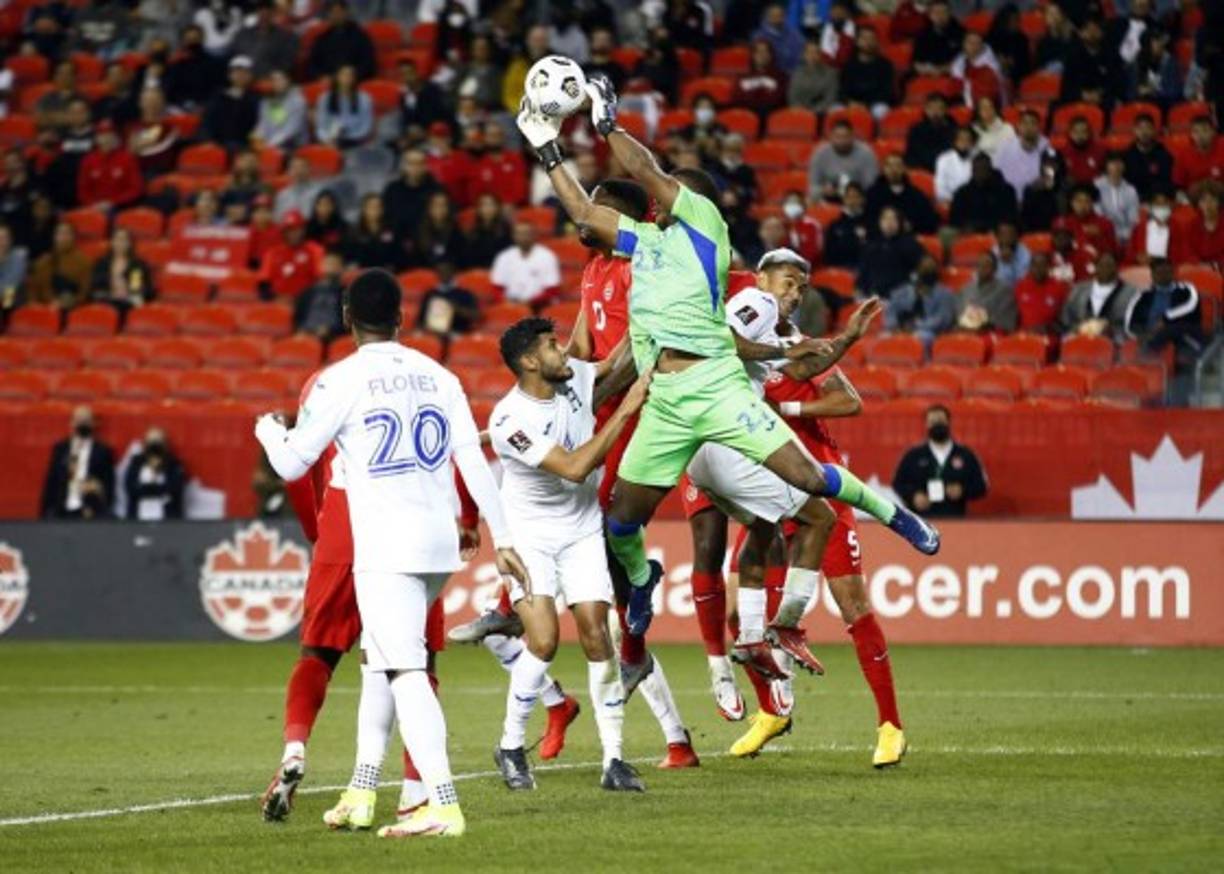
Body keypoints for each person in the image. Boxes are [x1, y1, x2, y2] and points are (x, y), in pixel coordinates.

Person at [516, 77, 939, 647]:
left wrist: (606, 121)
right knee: (619, 523)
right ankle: (642, 582)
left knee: (809, 478)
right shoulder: (646, 243)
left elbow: (647, 173)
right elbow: (586, 215)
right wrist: (546, 148)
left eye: (668, 196)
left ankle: (892, 515)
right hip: (662, 400)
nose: (657, 201)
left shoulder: (705, 231)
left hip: (717, 388)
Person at [255, 268, 529, 839]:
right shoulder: (439, 375)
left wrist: (267, 433)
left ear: (347, 318)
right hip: (436, 543)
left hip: (386, 546)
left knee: (403, 669)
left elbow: (291, 464)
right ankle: (360, 792)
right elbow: (473, 463)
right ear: (402, 317)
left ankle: (442, 803)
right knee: (381, 662)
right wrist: (503, 539)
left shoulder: (340, 379)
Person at [487, 317, 654, 793]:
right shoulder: (509, 420)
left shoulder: (576, 376)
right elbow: (576, 468)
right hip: (528, 538)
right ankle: (511, 744)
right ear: (529, 361)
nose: (565, 351)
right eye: (552, 346)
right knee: (542, 640)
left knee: (598, 635)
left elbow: (622, 360)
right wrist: (625, 411)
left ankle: (614, 760)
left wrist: (650, 313)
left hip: (580, 530)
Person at [1124, 257, 1203, 400]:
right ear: (1153, 275)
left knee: (1171, 329)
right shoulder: (1143, 294)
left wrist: (1165, 318)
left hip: (1184, 334)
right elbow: (1129, 321)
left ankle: (1149, 351)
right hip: (1150, 334)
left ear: (1173, 273)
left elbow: (1190, 305)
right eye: (1160, 272)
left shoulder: (1187, 289)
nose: (1164, 275)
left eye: (1168, 271)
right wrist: (1137, 335)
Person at [892, 405, 988, 519]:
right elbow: (898, 483)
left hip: (955, 520)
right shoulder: (913, 456)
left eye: (940, 421)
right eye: (933, 421)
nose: (937, 425)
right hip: (921, 521)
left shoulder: (966, 455)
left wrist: (962, 490)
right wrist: (913, 496)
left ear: (948, 422)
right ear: (926, 425)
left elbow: (981, 486)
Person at [40, 406, 115, 520]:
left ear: (94, 423)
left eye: (86, 420)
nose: (83, 423)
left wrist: (97, 491)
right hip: (61, 512)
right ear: (72, 423)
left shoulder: (103, 451)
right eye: (80, 419)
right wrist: (44, 512)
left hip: (91, 513)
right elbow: (51, 482)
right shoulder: (61, 449)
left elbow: (109, 485)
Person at [885, 254, 958, 353]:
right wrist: (894, 327)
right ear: (918, 270)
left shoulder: (945, 294)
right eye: (924, 268)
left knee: (922, 338)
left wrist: (915, 326)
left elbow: (942, 320)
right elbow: (890, 312)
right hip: (899, 329)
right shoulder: (903, 291)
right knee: (882, 338)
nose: (927, 272)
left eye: (931, 269)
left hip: (926, 332)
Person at [1060, 250, 1135, 339]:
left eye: (1109, 266)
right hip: (1080, 336)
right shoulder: (1079, 289)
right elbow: (1066, 317)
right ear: (1096, 267)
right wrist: (1078, 328)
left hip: (1115, 340)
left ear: (1117, 268)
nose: (1105, 269)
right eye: (1101, 265)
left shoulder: (1130, 292)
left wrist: (1110, 328)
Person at [857, 206, 926, 300]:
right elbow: (863, 272)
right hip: (871, 296)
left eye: (893, 219)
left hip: (898, 298)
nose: (889, 222)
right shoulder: (872, 244)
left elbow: (924, 267)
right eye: (885, 219)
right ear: (879, 222)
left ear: (900, 222)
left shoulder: (910, 244)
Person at [76, 120, 143, 212]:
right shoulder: (88, 160)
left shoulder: (127, 158)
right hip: (94, 208)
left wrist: (113, 202)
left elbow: (136, 188)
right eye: (102, 135)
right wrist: (93, 204)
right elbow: (83, 189)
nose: (106, 139)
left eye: (110, 135)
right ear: (97, 138)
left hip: (121, 208)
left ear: (116, 138)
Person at [490, 221, 561, 307]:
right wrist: (505, 301)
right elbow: (497, 287)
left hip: (539, 306)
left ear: (534, 235)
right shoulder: (504, 257)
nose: (522, 237)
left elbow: (552, 290)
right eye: (519, 233)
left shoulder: (547, 256)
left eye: (526, 233)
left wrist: (529, 303)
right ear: (513, 236)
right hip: (510, 304)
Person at [865, 154, 939, 235]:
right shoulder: (873, 194)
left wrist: (913, 226)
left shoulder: (916, 195)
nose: (893, 169)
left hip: (909, 239)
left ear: (904, 169)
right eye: (889, 166)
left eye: (897, 165)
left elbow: (930, 221)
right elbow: (867, 220)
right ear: (883, 169)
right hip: (879, 241)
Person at [808, 119, 879, 203]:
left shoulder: (866, 153)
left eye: (845, 137)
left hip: (858, 200)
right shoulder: (820, 153)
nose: (842, 141)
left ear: (853, 136)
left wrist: (854, 193)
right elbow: (812, 187)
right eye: (838, 137)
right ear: (831, 136)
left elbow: (871, 187)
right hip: (827, 199)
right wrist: (823, 190)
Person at [123, 427, 184, 521]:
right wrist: (155, 486)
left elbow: (174, 490)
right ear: (145, 444)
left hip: (167, 521)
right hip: (138, 519)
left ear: (165, 444)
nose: (155, 447)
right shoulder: (136, 462)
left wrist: (147, 487)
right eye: (151, 442)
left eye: (158, 442)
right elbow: (130, 488)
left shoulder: (173, 464)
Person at [259, 211, 324, 299]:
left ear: (303, 230)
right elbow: (263, 284)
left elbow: (320, 280)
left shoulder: (314, 250)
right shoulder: (272, 253)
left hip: (306, 303)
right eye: (289, 230)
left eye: (297, 229)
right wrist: (275, 298)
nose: (293, 234)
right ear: (283, 232)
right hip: (278, 303)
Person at [307, 0, 376, 81]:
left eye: (339, 12)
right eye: (332, 12)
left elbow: (368, 64)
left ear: (346, 12)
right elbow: (311, 66)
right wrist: (321, 77)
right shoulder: (322, 39)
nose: (336, 15)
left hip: (354, 83)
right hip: (327, 84)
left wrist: (351, 77)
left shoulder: (360, 36)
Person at [382, 149, 441, 244]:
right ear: (404, 166)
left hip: (428, 243)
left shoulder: (436, 190)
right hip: (396, 244)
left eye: (420, 163)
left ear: (426, 166)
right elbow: (385, 218)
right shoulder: (392, 189)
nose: (415, 167)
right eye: (411, 163)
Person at [28, 222, 92, 308]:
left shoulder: (84, 261)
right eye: (60, 233)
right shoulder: (43, 262)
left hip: (71, 309)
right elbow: (32, 288)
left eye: (67, 233)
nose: (63, 237)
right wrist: (35, 304)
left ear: (73, 237)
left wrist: (69, 302)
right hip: (44, 309)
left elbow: (84, 292)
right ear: (54, 237)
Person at [89, 227, 153, 315]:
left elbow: (137, 286)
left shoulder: (136, 265)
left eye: (123, 240)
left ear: (130, 243)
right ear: (111, 242)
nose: (120, 243)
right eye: (117, 239)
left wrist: (131, 294)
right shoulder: (102, 263)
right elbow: (95, 286)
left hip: (128, 303)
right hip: (106, 301)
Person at [950, 153, 1019, 233]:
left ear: (990, 170)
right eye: (977, 169)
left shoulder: (1006, 191)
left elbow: (1010, 218)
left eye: (984, 169)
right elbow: (955, 221)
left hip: (999, 235)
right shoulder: (961, 193)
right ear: (972, 171)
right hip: (969, 236)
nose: (981, 172)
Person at [202, 55, 259, 151]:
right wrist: (208, 140)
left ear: (251, 76)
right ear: (229, 75)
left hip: (241, 145)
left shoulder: (256, 100)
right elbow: (207, 121)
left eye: (245, 72)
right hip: (215, 142)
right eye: (237, 72)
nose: (240, 76)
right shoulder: (217, 96)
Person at [230, 3, 299, 80]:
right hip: (240, 76)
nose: (264, 13)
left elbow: (285, 65)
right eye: (261, 9)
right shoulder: (242, 34)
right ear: (257, 12)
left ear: (274, 12)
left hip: (268, 78)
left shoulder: (287, 37)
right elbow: (233, 56)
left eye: (268, 10)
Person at [994, 108, 1051, 201]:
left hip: (1037, 198)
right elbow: (995, 172)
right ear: (1018, 126)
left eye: (1033, 123)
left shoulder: (1048, 148)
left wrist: (1045, 181)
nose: (1029, 127)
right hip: (1009, 200)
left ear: (1039, 127)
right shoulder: (1005, 146)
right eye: (1025, 123)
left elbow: (1050, 178)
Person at [838, 27, 894, 119]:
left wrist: (866, 105)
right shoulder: (849, 65)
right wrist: (850, 102)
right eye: (864, 38)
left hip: (875, 104)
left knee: (882, 111)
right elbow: (843, 89)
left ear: (876, 42)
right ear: (857, 41)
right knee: (835, 110)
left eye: (871, 38)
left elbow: (887, 92)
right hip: (851, 103)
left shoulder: (885, 65)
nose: (867, 42)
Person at [316, 65, 374, 150]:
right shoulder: (325, 98)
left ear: (354, 79)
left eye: (350, 75)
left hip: (355, 141)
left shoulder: (364, 99)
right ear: (336, 77)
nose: (346, 78)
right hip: (330, 140)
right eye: (343, 75)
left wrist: (347, 138)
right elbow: (321, 126)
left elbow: (366, 127)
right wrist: (327, 140)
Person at [343, 194, 406, 272]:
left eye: (378, 206)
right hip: (362, 273)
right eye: (371, 206)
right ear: (364, 209)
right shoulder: (354, 231)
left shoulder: (392, 229)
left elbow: (399, 253)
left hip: (388, 272)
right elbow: (349, 256)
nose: (375, 210)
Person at [127, 86, 180, 176]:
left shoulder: (169, 127)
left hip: (161, 173)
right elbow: (132, 149)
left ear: (162, 102)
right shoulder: (132, 126)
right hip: (136, 172)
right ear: (140, 102)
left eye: (155, 100)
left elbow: (137, 145)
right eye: (148, 100)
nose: (151, 104)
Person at [293, 251, 346, 340]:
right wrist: (300, 330)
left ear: (341, 269)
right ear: (321, 266)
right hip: (306, 333)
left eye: (334, 264)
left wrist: (331, 330)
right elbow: (298, 316)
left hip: (332, 336)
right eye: (328, 263)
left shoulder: (345, 293)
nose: (331, 267)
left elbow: (347, 322)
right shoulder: (308, 292)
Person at [1014, 252, 1069, 333]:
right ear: (1030, 268)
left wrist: (1048, 327)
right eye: (1035, 265)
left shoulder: (1059, 287)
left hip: (1049, 334)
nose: (1038, 269)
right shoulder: (1020, 286)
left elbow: (1065, 317)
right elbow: (1015, 314)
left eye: (1042, 265)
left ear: (1048, 268)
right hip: (1024, 333)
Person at [1122, 113, 1173, 201]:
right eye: (1140, 128)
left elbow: (1166, 182)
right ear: (1134, 130)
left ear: (1154, 130)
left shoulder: (1163, 154)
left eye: (1148, 128)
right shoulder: (1126, 155)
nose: (1144, 132)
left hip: (1156, 199)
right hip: (1132, 198)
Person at [254, 69, 308, 150]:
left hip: (294, 145)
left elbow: (292, 129)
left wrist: (270, 144)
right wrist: (257, 138)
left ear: (288, 81)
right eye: (274, 80)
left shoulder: (298, 101)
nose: (277, 83)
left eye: (280, 79)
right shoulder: (267, 101)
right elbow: (263, 124)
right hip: (270, 143)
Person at [1125, 188, 1181, 265]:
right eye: (1157, 204)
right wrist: (1137, 257)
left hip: (1166, 270)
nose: (1161, 207)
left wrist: (1155, 259)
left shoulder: (1176, 228)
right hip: (1142, 270)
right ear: (1151, 206)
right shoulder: (1139, 228)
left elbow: (1180, 255)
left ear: (1171, 205)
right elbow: (1130, 254)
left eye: (1164, 204)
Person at [735, 39, 788, 120]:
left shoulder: (781, 77)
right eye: (758, 52)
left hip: (770, 116)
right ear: (753, 55)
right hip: (747, 115)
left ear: (771, 55)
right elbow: (738, 99)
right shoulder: (742, 78)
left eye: (765, 51)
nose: (762, 55)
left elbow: (779, 100)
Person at [1063, 184, 1117, 261]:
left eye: (1087, 201)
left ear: (1092, 203)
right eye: (1079, 201)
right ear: (1071, 203)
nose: (1083, 205)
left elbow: (1113, 252)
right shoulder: (1064, 224)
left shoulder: (1105, 223)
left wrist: (1099, 236)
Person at [905, 92, 956, 173]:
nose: (935, 112)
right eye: (931, 108)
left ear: (946, 110)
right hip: (920, 170)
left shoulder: (954, 130)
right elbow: (911, 154)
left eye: (939, 108)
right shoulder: (916, 129)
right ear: (925, 109)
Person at [1096, 152, 1141, 245]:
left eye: (1119, 163)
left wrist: (1125, 235)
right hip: (1102, 233)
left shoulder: (1130, 190)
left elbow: (1133, 219)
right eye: (1112, 163)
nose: (1116, 166)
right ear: (1106, 166)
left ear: (1124, 166)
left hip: (1125, 236)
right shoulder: (1097, 186)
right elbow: (1098, 215)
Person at [823, 182, 871, 267]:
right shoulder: (835, 226)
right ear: (844, 199)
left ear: (862, 199)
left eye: (856, 197)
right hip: (839, 269)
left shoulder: (870, 224)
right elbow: (828, 254)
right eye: (849, 197)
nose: (852, 200)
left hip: (861, 270)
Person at [1172, 117, 1224, 193]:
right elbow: (1178, 184)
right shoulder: (1183, 154)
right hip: (1195, 198)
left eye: (1205, 130)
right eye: (1195, 131)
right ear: (1191, 135)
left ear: (1213, 132)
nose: (1200, 135)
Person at [413, 191, 464, 269]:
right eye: (436, 205)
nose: (439, 208)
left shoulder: (455, 231)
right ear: (429, 208)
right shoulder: (420, 231)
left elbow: (459, 258)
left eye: (443, 205)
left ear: (448, 208)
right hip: (426, 274)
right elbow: (416, 260)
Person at [461, 193, 512, 270]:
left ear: (498, 208)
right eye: (484, 205)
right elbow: (467, 259)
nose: (487, 208)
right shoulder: (472, 232)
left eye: (491, 205)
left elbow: (509, 257)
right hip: (477, 273)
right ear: (478, 209)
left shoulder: (507, 231)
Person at [787, 38, 839, 113]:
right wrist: (800, 109)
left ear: (820, 55)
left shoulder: (830, 73)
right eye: (809, 52)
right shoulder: (797, 73)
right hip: (800, 112)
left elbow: (830, 98)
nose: (812, 56)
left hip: (821, 112)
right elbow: (792, 97)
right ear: (804, 55)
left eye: (816, 52)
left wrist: (814, 111)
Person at [753, 2, 804, 72]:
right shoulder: (759, 36)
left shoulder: (795, 35)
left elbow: (802, 55)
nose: (777, 19)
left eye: (780, 16)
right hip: (770, 75)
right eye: (773, 16)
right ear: (767, 17)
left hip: (794, 74)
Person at [274, 156, 325, 222]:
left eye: (302, 167)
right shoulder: (282, 195)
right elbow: (277, 220)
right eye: (294, 168)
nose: (298, 171)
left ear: (309, 169)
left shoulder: (319, 192)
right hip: (288, 230)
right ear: (288, 171)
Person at [934, 126, 977, 205]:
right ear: (955, 141)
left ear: (973, 142)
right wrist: (954, 201)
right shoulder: (944, 159)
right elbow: (940, 187)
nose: (964, 143)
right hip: (950, 201)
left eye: (968, 140)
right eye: (961, 139)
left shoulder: (978, 159)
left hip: (974, 201)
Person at [1184, 184, 1224, 267]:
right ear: (1198, 203)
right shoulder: (1192, 224)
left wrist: (1216, 265)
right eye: (1203, 200)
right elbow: (1189, 252)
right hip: (1199, 268)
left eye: (1212, 200)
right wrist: (1200, 264)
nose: (1208, 205)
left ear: (1220, 202)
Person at [780, 191, 822, 267]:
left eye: (795, 202)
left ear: (803, 205)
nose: (792, 206)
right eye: (789, 203)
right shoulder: (780, 225)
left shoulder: (812, 226)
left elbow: (814, 252)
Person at [971, 95, 1015, 160]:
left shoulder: (1007, 128)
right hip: (981, 166)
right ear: (978, 111)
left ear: (995, 109)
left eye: (990, 107)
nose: (987, 110)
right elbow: (972, 155)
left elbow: (1013, 152)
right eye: (983, 107)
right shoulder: (972, 130)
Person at [992, 220, 1031, 288]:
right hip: (997, 292)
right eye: (1003, 234)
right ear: (997, 237)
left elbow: (1024, 280)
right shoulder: (992, 253)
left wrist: (1011, 262)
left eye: (1010, 234)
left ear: (1017, 236)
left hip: (1017, 292)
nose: (1007, 238)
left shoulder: (1025, 254)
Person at [0, 224, 28, 314]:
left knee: (8, 294)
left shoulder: (18, 258)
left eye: (4, 238)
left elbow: (11, 283)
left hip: (12, 299)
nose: (1, 241)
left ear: (10, 240)